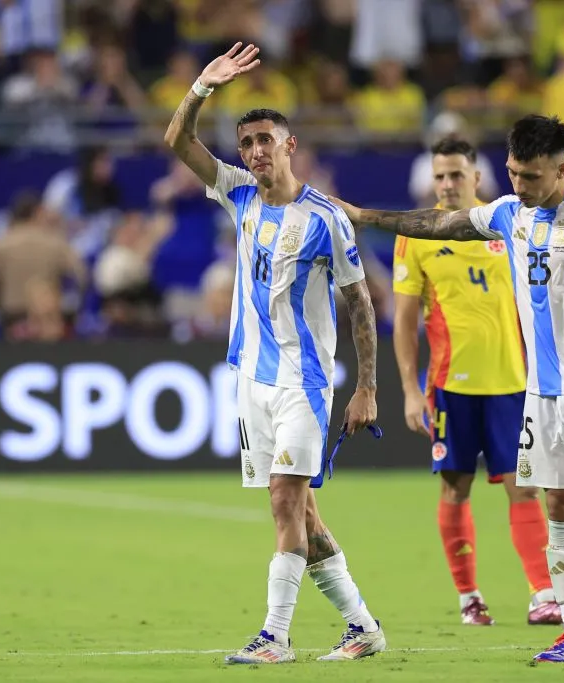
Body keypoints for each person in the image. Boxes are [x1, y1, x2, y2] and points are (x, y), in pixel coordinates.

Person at [334, 115, 564, 663]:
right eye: (514, 174)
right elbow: (439, 224)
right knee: (560, 508)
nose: (520, 186)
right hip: (542, 391)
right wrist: (364, 216)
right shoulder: (508, 213)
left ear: (561, 170)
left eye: (532, 177)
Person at [163, 43, 386, 665]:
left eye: (266, 138)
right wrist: (201, 88)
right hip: (250, 381)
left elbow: (360, 305)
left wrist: (366, 386)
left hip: (305, 382)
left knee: (284, 502)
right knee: (305, 517)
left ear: (290, 146)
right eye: (247, 143)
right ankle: (363, 627)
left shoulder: (326, 220)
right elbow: (178, 142)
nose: (256, 150)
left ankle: (274, 638)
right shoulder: (237, 195)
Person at [394, 137, 562, 626]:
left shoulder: (509, 223)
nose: (446, 184)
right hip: (450, 386)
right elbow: (405, 324)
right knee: (455, 487)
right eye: (439, 176)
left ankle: (543, 594)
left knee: (525, 488)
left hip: (513, 383)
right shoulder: (417, 234)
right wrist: (408, 389)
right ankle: (470, 598)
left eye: (455, 175)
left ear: (477, 178)